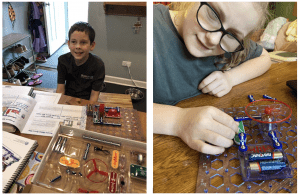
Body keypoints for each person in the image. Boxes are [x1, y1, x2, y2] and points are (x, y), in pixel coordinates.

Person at [153, 2, 272, 154]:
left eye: (233, 35)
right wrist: (179, 121)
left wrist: (230, 78)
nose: (214, 40)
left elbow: (264, 57)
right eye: (213, 15)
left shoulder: (231, 46)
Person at [56, 22, 105, 102]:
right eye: (73, 42)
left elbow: (94, 95)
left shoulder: (98, 65)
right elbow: (60, 90)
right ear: (68, 44)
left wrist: (89, 110)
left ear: (92, 45)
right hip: (68, 98)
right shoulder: (62, 60)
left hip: (87, 100)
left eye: (83, 42)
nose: (78, 47)